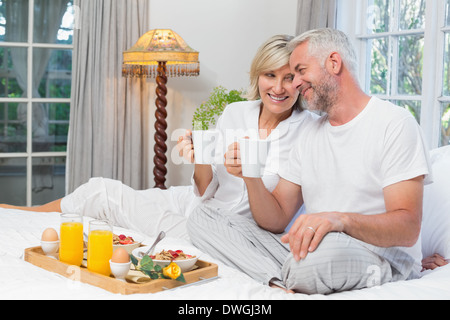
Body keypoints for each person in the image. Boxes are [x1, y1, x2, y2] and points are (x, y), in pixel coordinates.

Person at [0, 35, 314, 246]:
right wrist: (199, 158)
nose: (278, 87)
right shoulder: (236, 112)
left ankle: (16, 215)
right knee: (98, 192)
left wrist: (250, 175)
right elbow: (206, 188)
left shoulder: (304, 133)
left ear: (301, 82)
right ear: (257, 76)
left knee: (103, 196)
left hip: (224, 229)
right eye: (270, 75)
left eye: (289, 77)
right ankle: (25, 213)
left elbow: (275, 223)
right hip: (195, 202)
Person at [189, 28, 432, 295]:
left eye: (300, 71)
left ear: (334, 63)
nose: (294, 84)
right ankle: (279, 281)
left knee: (310, 260)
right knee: (203, 216)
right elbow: (278, 218)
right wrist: (251, 175)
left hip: (375, 254)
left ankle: (292, 271)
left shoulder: (394, 123)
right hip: (314, 249)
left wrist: (339, 220)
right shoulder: (310, 133)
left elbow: (408, 228)